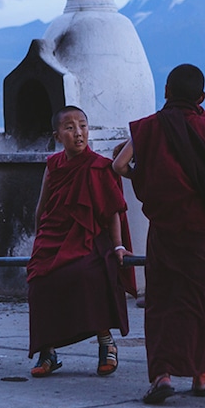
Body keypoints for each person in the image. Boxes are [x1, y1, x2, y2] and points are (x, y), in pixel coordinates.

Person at [113, 64, 205, 404]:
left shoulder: (149, 128)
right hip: (202, 233)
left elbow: (119, 165)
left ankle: (162, 376)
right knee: (199, 301)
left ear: (167, 92)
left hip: (165, 229)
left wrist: (148, 181)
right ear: (201, 97)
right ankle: (201, 377)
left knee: (161, 302)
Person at [27, 106, 135, 379]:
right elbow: (42, 208)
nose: (78, 133)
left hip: (89, 237)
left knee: (87, 274)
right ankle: (47, 350)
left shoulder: (100, 166)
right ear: (58, 135)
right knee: (40, 280)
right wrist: (40, 242)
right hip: (55, 235)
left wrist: (118, 245)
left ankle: (105, 341)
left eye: (83, 126)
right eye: (70, 127)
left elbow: (113, 212)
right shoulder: (53, 165)